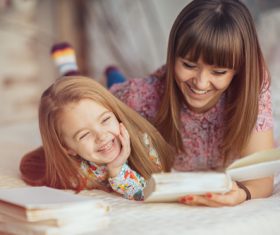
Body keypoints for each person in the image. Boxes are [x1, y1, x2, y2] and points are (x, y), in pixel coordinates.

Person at [109, 0, 275, 206]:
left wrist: (241, 193)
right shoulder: (144, 94)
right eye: (188, 65)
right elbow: (87, 107)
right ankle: (112, 77)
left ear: (239, 69)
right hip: (126, 94)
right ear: (172, 56)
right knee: (110, 92)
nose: (201, 82)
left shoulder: (252, 89)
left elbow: (262, 179)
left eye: (219, 71)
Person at [20, 76, 173, 201]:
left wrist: (118, 171)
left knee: (121, 89)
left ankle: (112, 75)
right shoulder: (75, 171)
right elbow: (33, 169)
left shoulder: (144, 141)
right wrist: (115, 167)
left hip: (128, 97)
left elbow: (147, 193)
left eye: (105, 120)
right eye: (84, 135)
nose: (101, 136)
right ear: (67, 148)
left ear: (115, 113)